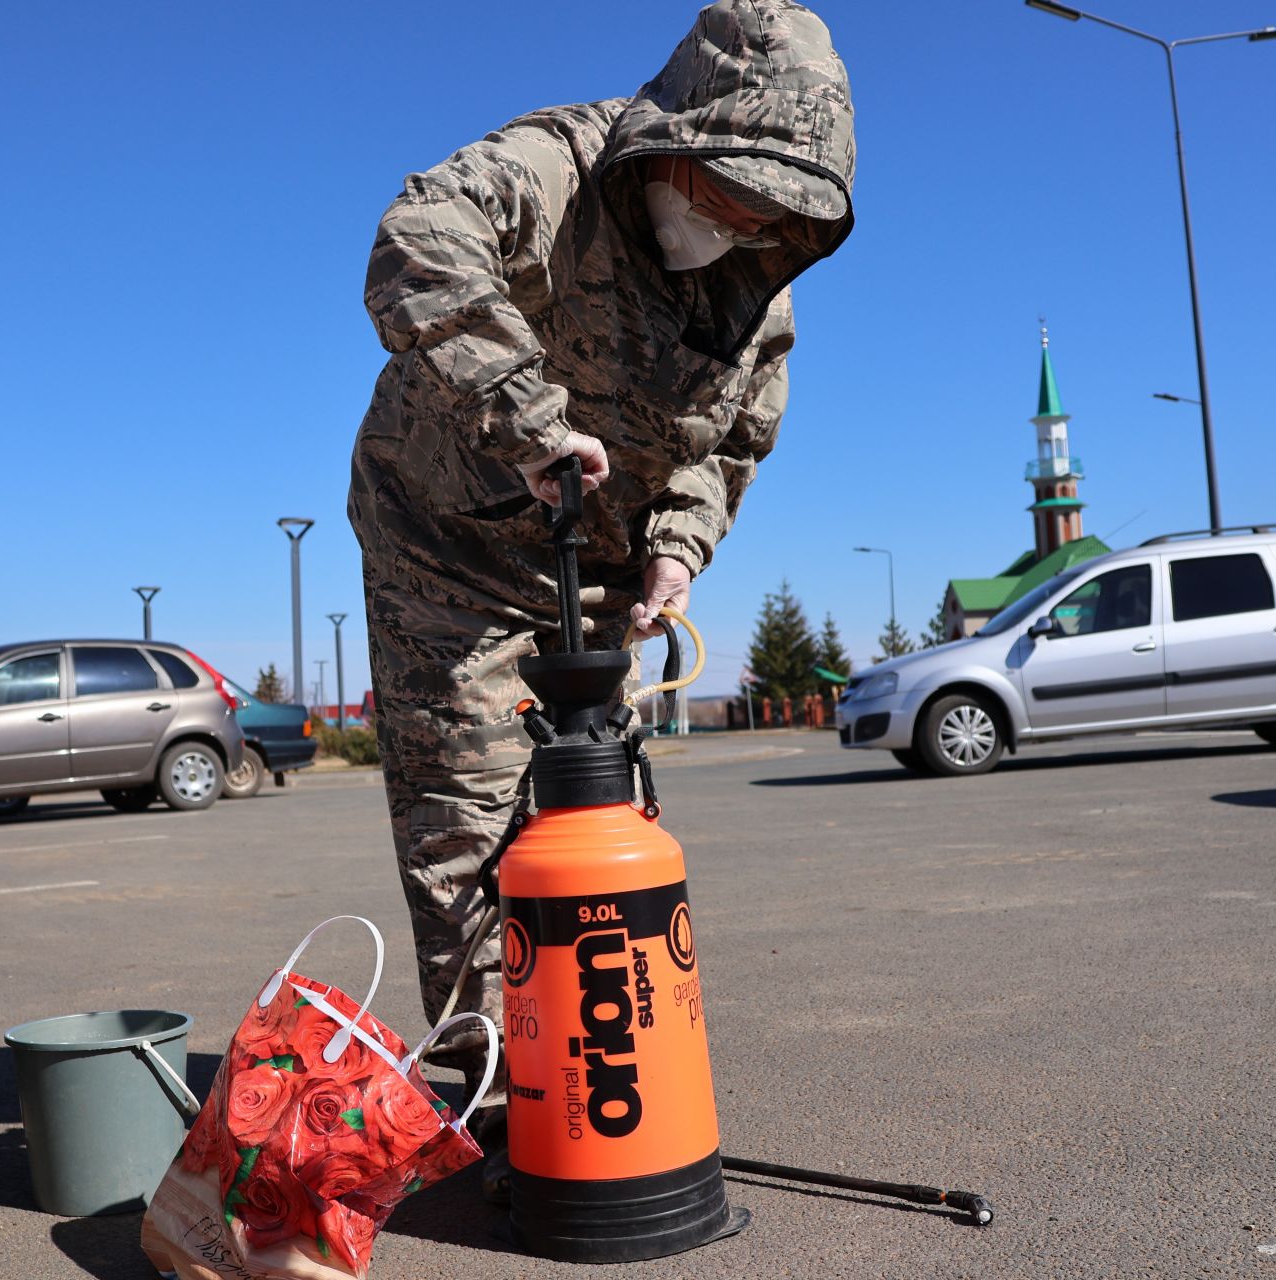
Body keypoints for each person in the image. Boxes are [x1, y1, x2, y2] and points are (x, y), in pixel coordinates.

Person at [346, 0, 855, 1194]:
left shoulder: (755, 291)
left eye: (773, 210)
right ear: (674, 137)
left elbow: (724, 451)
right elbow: (415, 240)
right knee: (471, 835)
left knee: (588, 829)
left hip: (598, 575)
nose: (740, 225)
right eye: (728, 190)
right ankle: (496, 1111)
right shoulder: (552, 171)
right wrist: (528, 424)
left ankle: (594, 1077)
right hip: (449, 549)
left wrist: (677, 547)